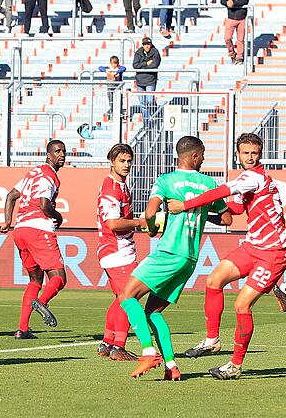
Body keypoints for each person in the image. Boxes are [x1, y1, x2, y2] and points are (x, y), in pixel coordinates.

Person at [170, 133, 286, 380]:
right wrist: (206, 213)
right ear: (238, 154)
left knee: (242, 305)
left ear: (260, 154)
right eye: (245, 153)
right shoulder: (251, 181)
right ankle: (212, 340)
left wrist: (186, 205)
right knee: (214, 281)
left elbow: (221, 191)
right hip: (252, 247)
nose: (249, 157)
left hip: (273, 252)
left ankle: (235, 365)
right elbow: (234, 209)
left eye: (254, 153)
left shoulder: (253, 177)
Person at [118, 136, 231, 380]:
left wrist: (150, 228)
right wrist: (199, 212)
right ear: (192, 156)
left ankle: (148, 353)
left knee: (126, 296)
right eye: (201, 155)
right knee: (153, 313)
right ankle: (172, 366)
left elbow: (150, 212)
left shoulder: (166, 180)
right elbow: (226, 219)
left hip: (169, 251)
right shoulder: (209, 183)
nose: (203, 159)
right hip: (189, 259)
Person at [0, 140, 68, 339]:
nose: (61, 155)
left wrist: (7, 222)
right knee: (59, 278)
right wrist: (58, 216)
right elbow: (44, 204)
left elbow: (11, 195)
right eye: (57, 151)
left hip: (20, 230)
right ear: (48, 155)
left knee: (35, 279)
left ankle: (22, 329)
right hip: (39, 229)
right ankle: (43, 302)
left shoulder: (33, 172)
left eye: (64, 151)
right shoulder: (49, 175)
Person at [96, 144, 144, 361]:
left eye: (128, 161)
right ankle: (119, 346)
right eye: (121, 161)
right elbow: (113, 223)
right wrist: (139, 222)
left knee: (120, 298)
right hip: (116, 250)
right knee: (130, 296)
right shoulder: (112, 188)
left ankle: (107, 343)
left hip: (115, 249)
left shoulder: (120, 185)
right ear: (111, 161)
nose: (126, 165)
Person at [132, 37, 161, 126]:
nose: (147, 46)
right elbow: (135, 65)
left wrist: (143, 67)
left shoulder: (155, 52)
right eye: (145, 44)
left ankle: (156, 112)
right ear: (142, 45)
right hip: (140, 81)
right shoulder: (138, 52)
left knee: (149, 100)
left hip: (150, 80)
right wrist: (146, 63)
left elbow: (155, 64)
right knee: (142, 103)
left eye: (148, 44)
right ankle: (147, 121)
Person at [220, 0, 249, 65]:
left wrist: (233, 4)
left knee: (240, 39)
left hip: (242, 17)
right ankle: (232, 54)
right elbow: (222, 1)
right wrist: (227, 3)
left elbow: (246, 1)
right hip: (231, 17)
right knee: (227, 38)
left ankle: (240, 57)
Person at [98, 56, 126, 121]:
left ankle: (120, 116)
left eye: (115, 63)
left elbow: (124, 68)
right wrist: (106, 71)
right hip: (110, 88)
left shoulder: (119, 68)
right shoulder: (108, 68)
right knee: (111, 103)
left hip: (118, 88)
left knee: (119, 102)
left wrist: (117, 72)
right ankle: (111, 116)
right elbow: (100, 68)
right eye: (112, 63)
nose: (114, 65)